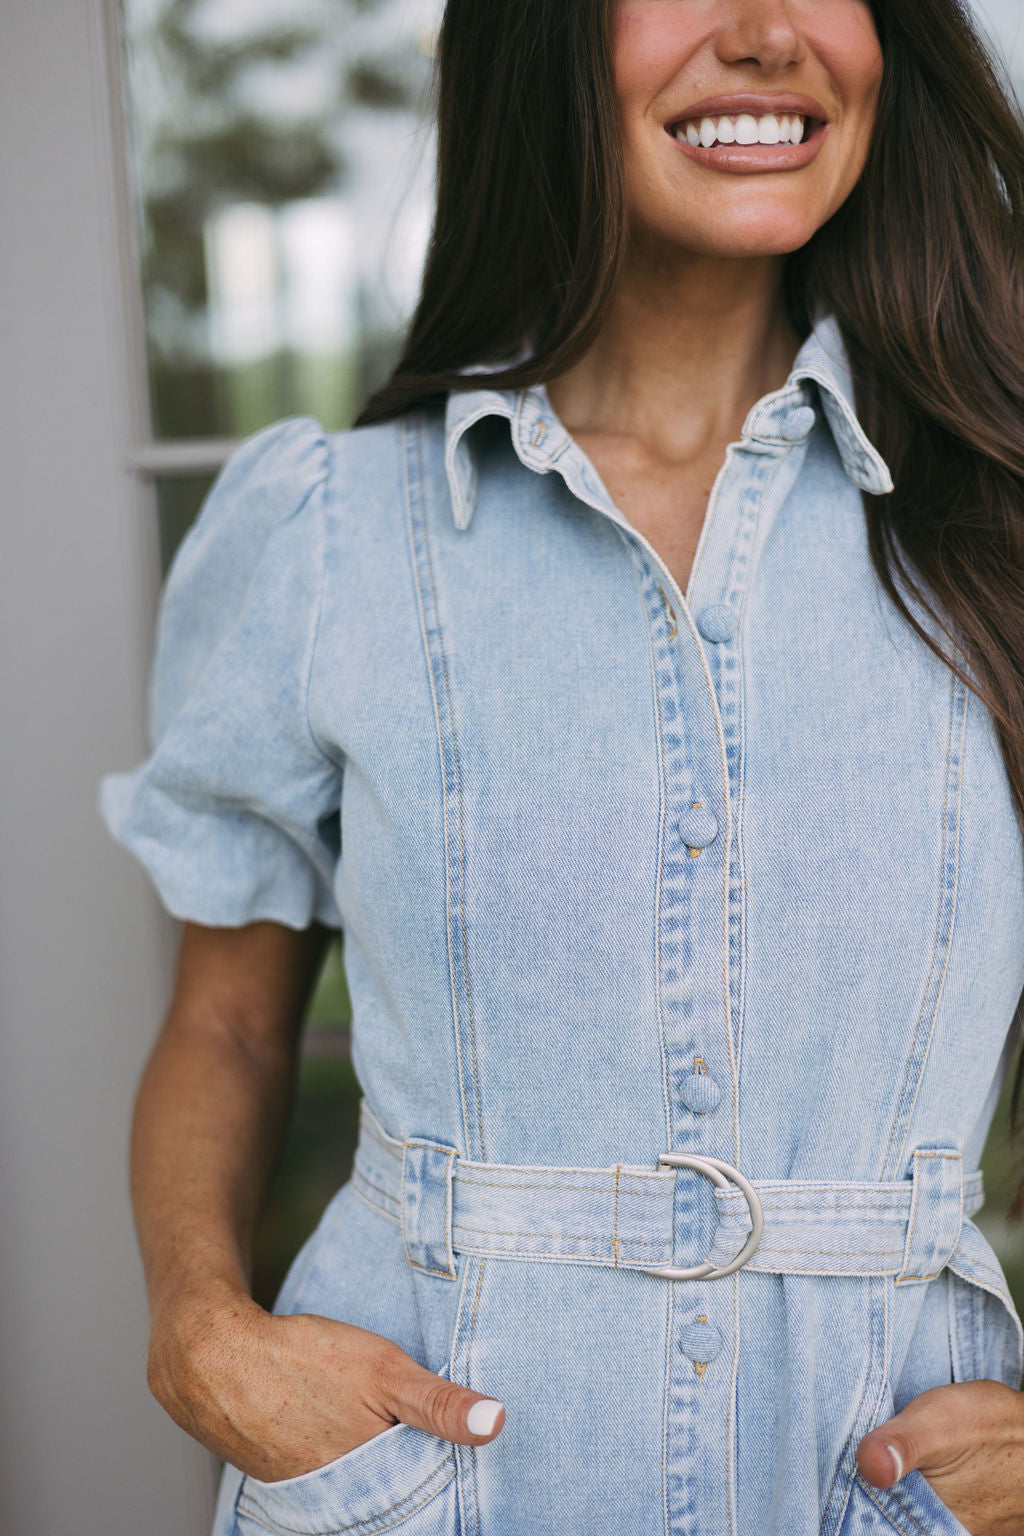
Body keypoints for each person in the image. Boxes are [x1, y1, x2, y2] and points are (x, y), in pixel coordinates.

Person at [98, 0, 1024, 1532]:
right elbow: (231, 1027)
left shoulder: (994, 527)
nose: (768, 32)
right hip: (436, 1479)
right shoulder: (336, 534)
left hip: (889, 1490)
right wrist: (201, 1329)